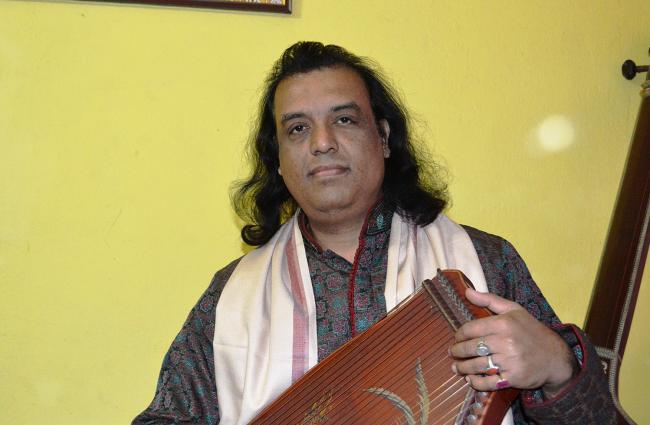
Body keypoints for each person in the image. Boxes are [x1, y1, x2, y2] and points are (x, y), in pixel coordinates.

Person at [133, 42, 615, 424]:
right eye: (297, 129)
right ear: (277, 160)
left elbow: (600, 417)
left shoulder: (487, 261)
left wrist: (558, 368)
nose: (322, 143)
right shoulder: (230, 297)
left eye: (344, 120)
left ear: (383, 138)